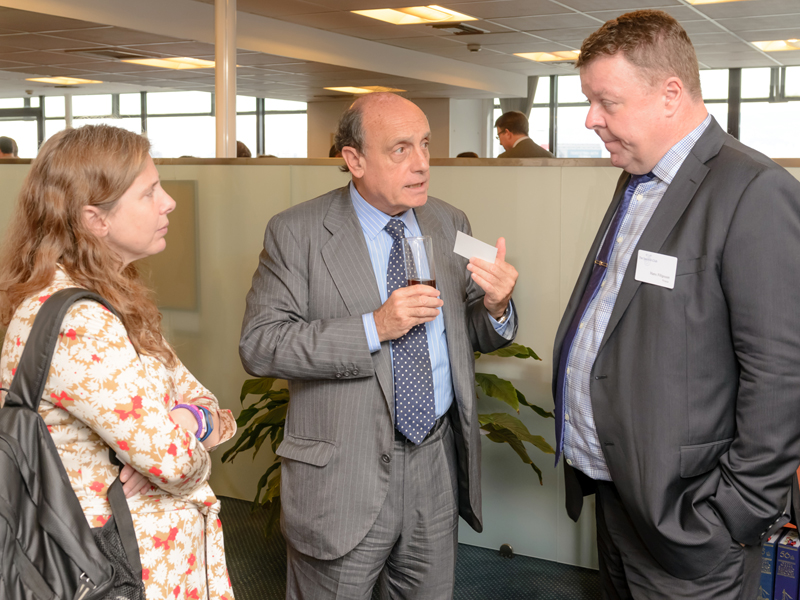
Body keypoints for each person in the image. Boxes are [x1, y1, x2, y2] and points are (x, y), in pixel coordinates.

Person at [552, 10, 800, 598]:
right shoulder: (638, 176)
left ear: (670, 95)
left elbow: (781, 375)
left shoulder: (754, 190)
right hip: (617, 493)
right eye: (588, 101)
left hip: (689, 518)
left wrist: (732, 514)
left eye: (607, 102)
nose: (590, 119)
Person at [240, 92, 519, 598]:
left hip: (434, 462)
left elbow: (468, 330)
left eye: (425, 144)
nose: (422, 163)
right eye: (400, 149)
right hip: (343, 475)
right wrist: (375, 326)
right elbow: (261, 345)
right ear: (354, 160)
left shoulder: (450, 223)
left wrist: (497, 306)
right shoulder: (296, 232)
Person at [0, 125, 236, 600]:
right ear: (95, 219)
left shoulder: (109, 302)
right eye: (149, 192)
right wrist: (185, 439)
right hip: (118, 571)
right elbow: (177, 466)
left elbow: (213, 408)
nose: (169, 203)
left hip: (148, 562)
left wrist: (190, 420)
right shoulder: (79, 321)